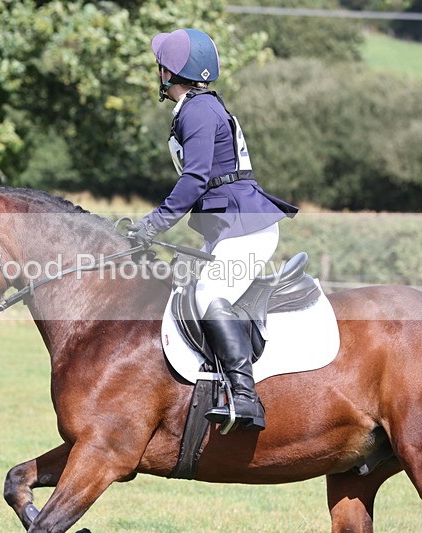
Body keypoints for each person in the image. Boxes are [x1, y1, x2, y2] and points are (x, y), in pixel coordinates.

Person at [127, 28, 298, 431]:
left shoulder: (198, 111)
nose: (158, 72)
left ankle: (245, 397)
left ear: (169, 72)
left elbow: (196, 179)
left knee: (208, 293)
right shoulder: (197, 108)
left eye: (160, 66)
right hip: (231, 228)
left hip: (246, 228)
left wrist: (152, 224)